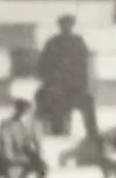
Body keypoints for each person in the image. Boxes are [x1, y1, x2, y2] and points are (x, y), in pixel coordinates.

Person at [35, 14, 99, 143]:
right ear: (60, 26)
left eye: (68, 24)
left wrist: (81, 86)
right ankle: (58, 134)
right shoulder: (52, 43)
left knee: (88, 102)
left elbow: (84, 66)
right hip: (57, 89)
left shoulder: (78, 42)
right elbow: (43, 67)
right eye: (63, 24)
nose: (66, 27)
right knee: (55, 104)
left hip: (75, 89)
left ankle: (93, 134)